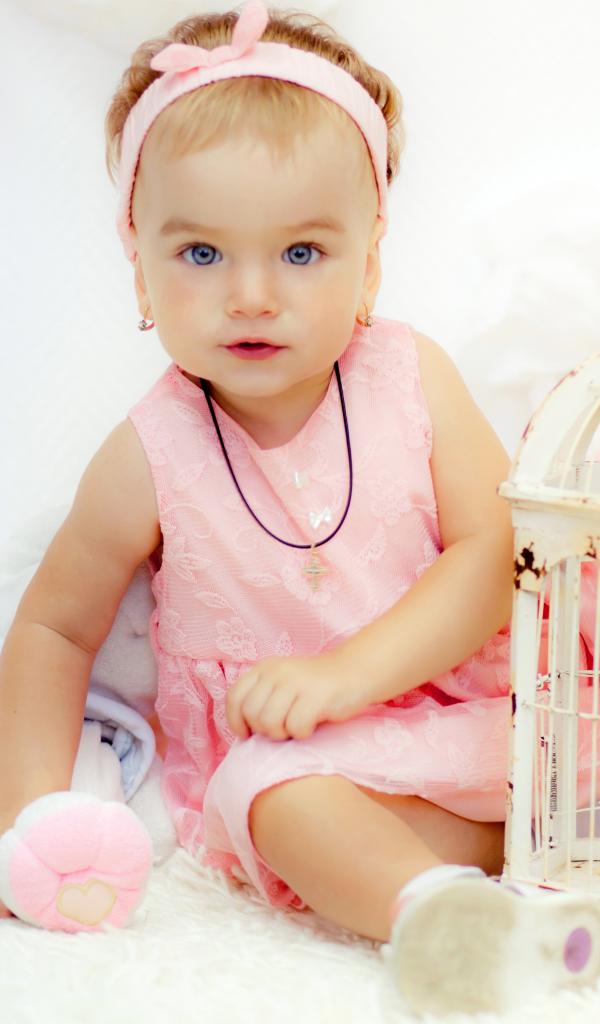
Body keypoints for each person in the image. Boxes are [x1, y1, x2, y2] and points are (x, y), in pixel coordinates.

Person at [1, 0, 599, 1014]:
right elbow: (54, 629)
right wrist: (33, 822)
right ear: (138, 270)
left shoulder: (410, 377)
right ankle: (453, 914)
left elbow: (494, 551)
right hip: (325, 789)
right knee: (274, 796)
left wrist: (345, 674)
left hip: (497, 729)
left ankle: (507, 868)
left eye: (302, 252)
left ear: (370, 265)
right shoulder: (150, 453)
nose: (250, 294)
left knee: (524, 757)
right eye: (201, 254)